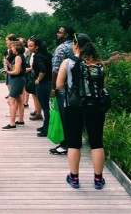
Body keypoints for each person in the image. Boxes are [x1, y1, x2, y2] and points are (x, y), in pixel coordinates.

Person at [56, 33, 106, 190]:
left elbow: (58, 85)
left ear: (75, 45)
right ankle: (98, 180)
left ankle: (74, 178)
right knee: (96, 142)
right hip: (95, 106)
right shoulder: (99, 63)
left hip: (74, 106)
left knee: (74, 143)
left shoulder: (68, 62)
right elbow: (102, 86)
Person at [49, 26, 75, 154]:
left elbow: (55, 69)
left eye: (59, 32)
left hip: (63, 88)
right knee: (75, 117)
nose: (57, 34)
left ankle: (66, 144)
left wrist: (53, 88)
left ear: (66, 35)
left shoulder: (62, 48)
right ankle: (75, 141)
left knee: (65, 116)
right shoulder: (78, 46)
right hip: (77, 89)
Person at [29, 38, 52, 137]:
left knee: (45, 108)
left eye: (31, 46)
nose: (29, 48)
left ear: (37, 47)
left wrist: (38, 79)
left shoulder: (38, 57)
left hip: (43, 84)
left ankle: (46, 129)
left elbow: (43, 70)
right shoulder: (47, 54)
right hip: (49, 82)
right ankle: (45, 126)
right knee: (46, 107)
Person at [2, 41, 26, 130]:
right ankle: (21, 120)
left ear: (17, 48)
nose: (11, 49)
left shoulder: (18, 57)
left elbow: (17, 71)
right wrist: (8, 64)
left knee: (10, 100)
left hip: (17, 80)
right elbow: (16, 68)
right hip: (20, 79)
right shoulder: (20, 56)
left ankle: (12, 124)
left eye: (12, 47)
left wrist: (7, 72)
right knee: (19, 100)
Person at [3, 34, 17, 98]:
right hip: (8, 69)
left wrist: (8, 63)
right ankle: (11, 94)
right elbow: (5, 59)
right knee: (8, 83)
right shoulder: (7, 50)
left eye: (7, 40)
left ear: (11, 41)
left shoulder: (14, 51)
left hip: (13, 70)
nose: (6, 42)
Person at [19, 37, 30, 107]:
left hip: (26, 68)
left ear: (23, 43)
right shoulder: (20, 50)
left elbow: (24, 59)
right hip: (23, 69)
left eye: (21, 42)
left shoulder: (26, 50)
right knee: (23, 86)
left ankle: (25, 102)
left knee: (26, 86)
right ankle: (23, 101)